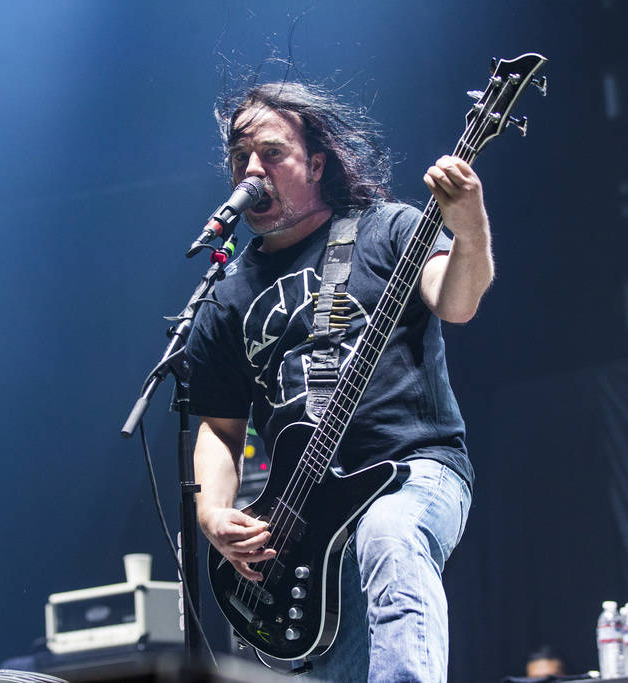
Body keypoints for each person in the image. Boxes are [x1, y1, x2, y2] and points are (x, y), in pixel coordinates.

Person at [185, 81, 494, 682]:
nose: (252, 169)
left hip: (411, 469)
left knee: (389, 533)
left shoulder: (390, 229)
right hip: (303, 516)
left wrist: (471, 227)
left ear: (316, 163)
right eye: (239, 159)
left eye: (272, 153)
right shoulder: (226, 298)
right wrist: (213, 516)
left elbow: (456, 302)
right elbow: (219, 431)